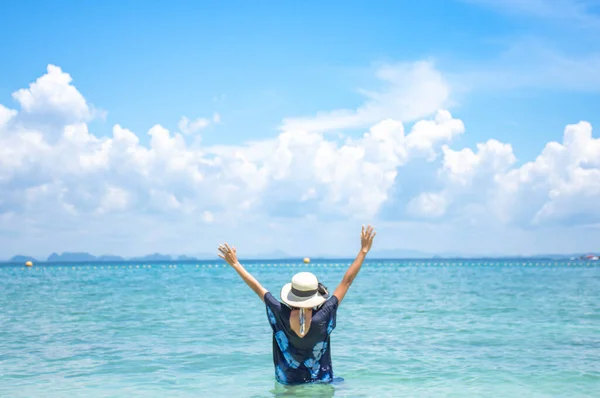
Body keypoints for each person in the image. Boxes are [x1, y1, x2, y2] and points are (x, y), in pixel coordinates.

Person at [218, 225, 376, 385]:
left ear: (291, 294)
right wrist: (363, 251)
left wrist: (236, 264)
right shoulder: (324, 314)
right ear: (316, 296)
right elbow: (346, 281)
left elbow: (257, 288)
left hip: (289, 383)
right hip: (321, 381)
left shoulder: (280, 312)